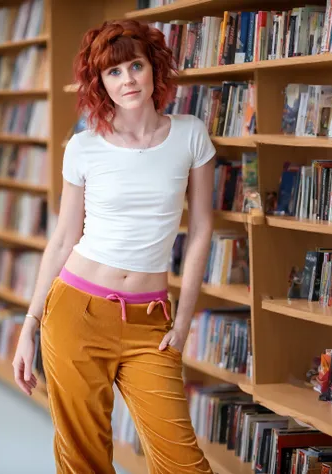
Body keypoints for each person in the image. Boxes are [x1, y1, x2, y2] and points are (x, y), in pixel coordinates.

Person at [12, 19, 215, 474]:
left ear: (153, 68)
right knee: (84, 460)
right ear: (100, 83)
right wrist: (30, 325)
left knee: (183, 464)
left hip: (150, 324)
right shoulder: (83, 147)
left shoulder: (190, 134)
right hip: (75, 312)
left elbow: (201, 229)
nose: (128, 80)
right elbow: (63, 238)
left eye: (135, 66)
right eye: (114, 73)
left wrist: (181, 325)